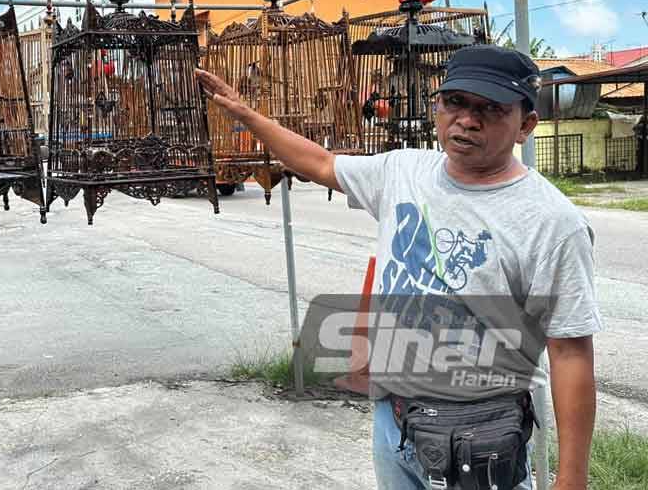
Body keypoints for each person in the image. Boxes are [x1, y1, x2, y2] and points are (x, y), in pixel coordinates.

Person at [196, 45, 601, 490]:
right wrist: (248, 116)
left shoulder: (552, 223)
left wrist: (572, 479)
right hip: (394, 424)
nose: (467, 120)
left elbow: (570, 352)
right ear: (436, 107)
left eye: (491, 108)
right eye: (455, 102)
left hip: (480, 439)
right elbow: (321, 162)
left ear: (525, 125)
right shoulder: (403, 171)